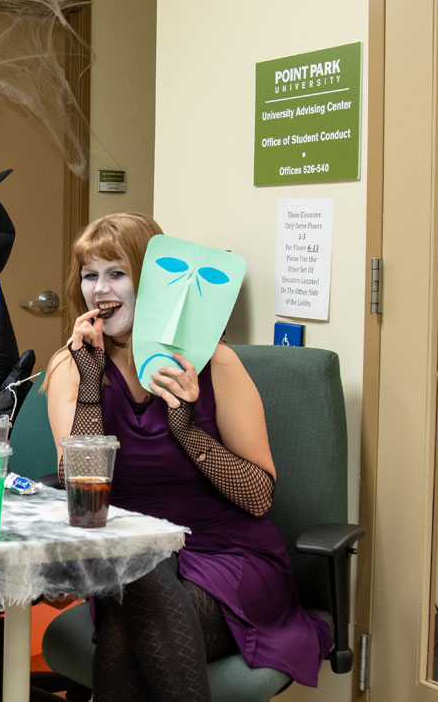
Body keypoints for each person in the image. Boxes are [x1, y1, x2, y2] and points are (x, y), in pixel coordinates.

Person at [45, 212, 331, 702]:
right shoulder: (72, 368)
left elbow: (259, 496)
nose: (99, 289)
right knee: (137, 571)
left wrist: (186, 427)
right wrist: (91, 383)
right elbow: (84, 499)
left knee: (125, 624)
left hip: (230, 559)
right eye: (90, 275)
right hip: (134, 558)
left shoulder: (215, 362)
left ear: (153, 281)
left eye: (116, 273)